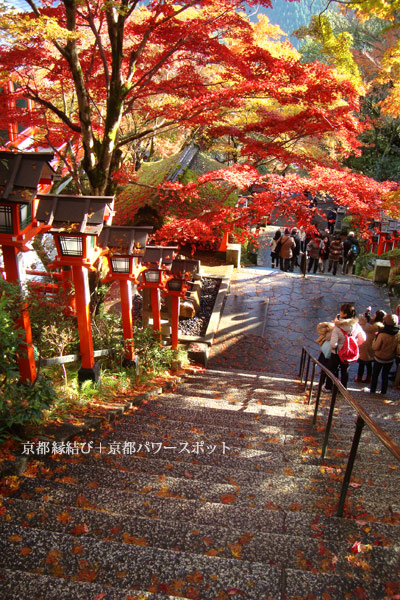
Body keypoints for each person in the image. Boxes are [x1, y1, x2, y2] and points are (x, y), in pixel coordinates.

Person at [323, 302, 366, 392]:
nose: (340, 312)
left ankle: (328, 387)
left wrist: (335, 348)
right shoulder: (356, 326)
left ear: (345, 314)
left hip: (337, 352)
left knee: (332, 370)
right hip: (348, 352)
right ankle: (343, 389)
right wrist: (354, 344)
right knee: (345, 370)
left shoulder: (338, 327)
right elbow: (363, 338)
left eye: (341, 311)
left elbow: (333, 344)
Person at [364, 314, 400, 395]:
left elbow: (375, 347)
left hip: (379, 358)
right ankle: (383, 391)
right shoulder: (398, 333)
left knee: (375, 374)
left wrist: (374, 341)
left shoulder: (382, 334)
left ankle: (372, 390)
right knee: (385, 375)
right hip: (390, 358)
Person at [355, 308, 386, 383]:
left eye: (375, 315)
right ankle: (368, 378)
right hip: (371, 345)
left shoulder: (376, 326)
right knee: (369, 363)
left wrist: (362, 321)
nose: (373, 316)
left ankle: (360, 377)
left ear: (377, 316)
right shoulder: (379, 324)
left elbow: (364, 328)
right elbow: (371, 320)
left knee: (362, 363)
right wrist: (367, 313)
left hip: (367, 345)